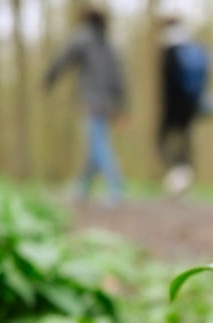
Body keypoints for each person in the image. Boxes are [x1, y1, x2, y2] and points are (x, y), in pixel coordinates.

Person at [44, 6, 127, 206]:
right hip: (108, 103)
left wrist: (49, 78)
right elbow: (119, 78)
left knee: (98, 144)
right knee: (94, 144)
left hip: (92, 100)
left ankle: (115, 186)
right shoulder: (108, 44)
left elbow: (64, 58)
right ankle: (83, 189)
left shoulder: (83, 38)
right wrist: (122, 105)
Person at [158, 16, 212, 197]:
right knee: (184, 141)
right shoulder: (192, 48)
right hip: (190, 106)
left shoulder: (170, 50)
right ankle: (184, 175)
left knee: (162, 140)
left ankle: (179, 175)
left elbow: (167, 82)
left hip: (173, 107)